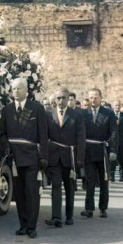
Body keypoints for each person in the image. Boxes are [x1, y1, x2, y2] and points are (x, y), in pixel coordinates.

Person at [0, 78, 48, 239]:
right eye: (13, 89)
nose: (16, 91)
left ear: (26, 90)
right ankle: (23, 225)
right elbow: (2, 134)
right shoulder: (7, 110)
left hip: (32, 157)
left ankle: (32, 226)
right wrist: (7, 149)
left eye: (19, 88)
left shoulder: (37, 108)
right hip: (15, 158)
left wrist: (44, 157)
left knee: (32, 193)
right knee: (19, 194)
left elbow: (43, 135)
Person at [44, 88, 85, 228]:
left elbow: (81, 137)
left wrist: (80, 158)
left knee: (69, 187)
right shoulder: (48, 115)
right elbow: (45, 137)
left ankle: (69, 215)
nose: (61, 101)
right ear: (55, 100)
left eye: (63, 98)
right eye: (58, 98)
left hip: (70, 156)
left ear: (69, 99)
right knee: (55, 186)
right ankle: (56, 217)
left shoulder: (76, 115)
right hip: (54, 156)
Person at [81, 88, 117, 219]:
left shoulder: (108, 113)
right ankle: (89, 208)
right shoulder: (83, 114)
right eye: (91, 97)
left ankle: (103, 208)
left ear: (101, 98)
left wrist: (112, 150)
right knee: (89, 181)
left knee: (104, 180)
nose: (93, 100)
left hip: (103, 151)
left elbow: (113, 132)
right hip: (88, 151)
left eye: (96, 97)